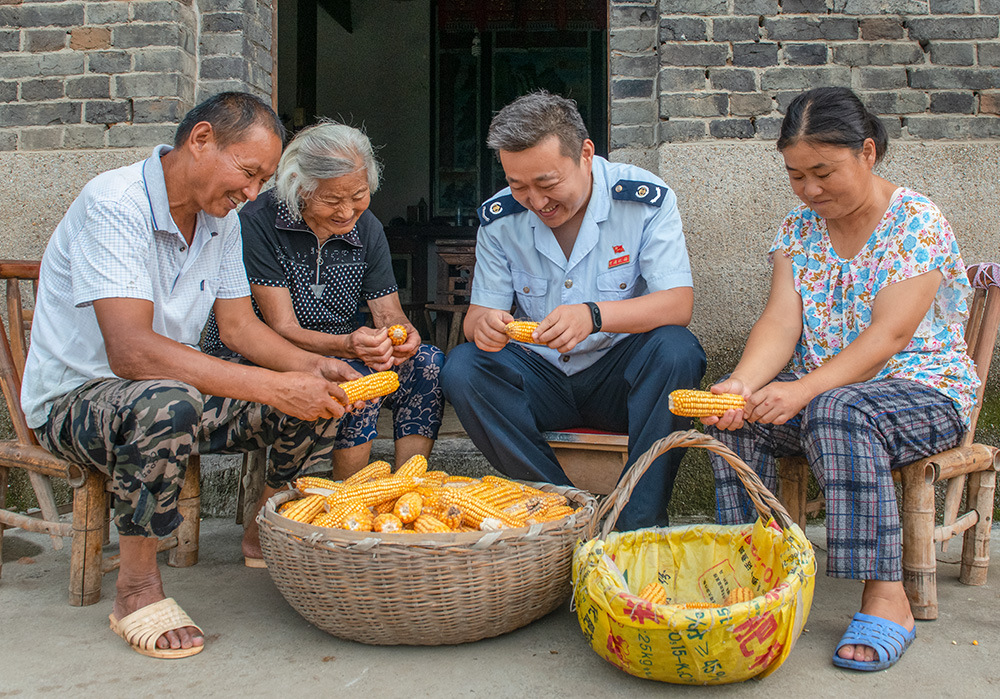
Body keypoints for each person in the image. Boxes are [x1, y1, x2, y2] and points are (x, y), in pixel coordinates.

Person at [21, 92, 367, 658]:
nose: (252, 194)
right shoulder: (115, 203)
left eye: (262, 181)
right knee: (168, 399)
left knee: (327, 396)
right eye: (249, 173)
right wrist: (274, 384)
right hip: (77, 401)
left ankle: (263, 531)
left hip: (169, 392)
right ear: (201, 140)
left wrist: (315, 368)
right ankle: (135, 588)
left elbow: (238, 328)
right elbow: (130, 353)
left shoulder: (219, 219)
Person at [701, 87, 979, 672]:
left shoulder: (915, 220)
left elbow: (889, 338)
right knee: (732, 418)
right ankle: (755, 576)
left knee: (840, 409)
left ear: (868, 152)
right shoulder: (798, 230)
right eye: (796, 175)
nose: (810, 189)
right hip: (834, 396)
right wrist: (743, 386)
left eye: (823, 171)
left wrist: (805, 389)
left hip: (923, 391)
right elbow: (779, 321)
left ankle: (887, 596)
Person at [440, 91, 706, 530]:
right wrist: (484, 326)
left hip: (619, 382)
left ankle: (635, 523)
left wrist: (594, 315)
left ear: (585, 154)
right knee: (464, 367)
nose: (535, 201)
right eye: (518, 185)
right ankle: (563, 511)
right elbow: (477, 316)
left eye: (547, 183)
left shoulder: (643, 200)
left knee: (677, 349)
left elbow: (678, 304)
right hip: (543, 382)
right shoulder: (499, 219)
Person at [203, 121, 444, 476]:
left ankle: (408, 485)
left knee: (426, 363)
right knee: (358, 378)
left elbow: (389, 313)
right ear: (299, 188)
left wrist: (401, 335)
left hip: (342, 347)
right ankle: (347, 500)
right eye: (332, 199)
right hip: (264, 353)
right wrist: (349, 345)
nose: (347, 211)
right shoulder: (259, 222)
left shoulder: (367, 228)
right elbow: (281, 327)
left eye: (358, 195)